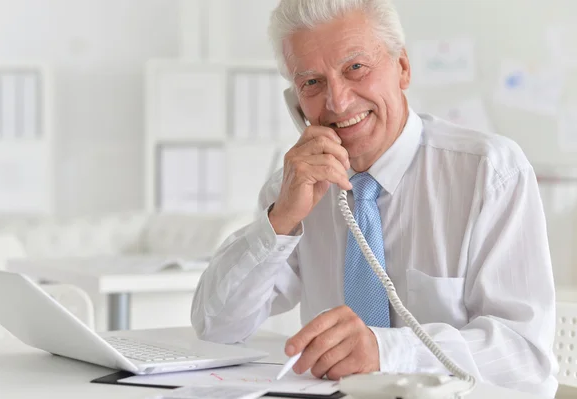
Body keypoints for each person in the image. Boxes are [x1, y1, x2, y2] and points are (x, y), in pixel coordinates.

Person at [191, 0, 557, 395]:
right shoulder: (297, 187)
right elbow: (217, 328)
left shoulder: (489, 173)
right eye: (312, 82)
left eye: (355, 68)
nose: (338, 102)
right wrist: (280, 221)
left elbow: (525, 357)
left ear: (403, 67)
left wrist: (387, 351)